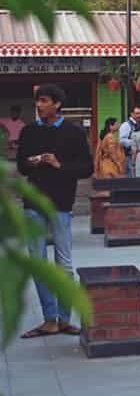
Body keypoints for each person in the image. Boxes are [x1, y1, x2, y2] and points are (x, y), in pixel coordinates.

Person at [17, 83, 92, 339]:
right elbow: (22, 166)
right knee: (38, 263)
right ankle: (49, 320)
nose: (39, 105)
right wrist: (35, 161)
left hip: (61, 203)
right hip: (33, 204)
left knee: (64, 265)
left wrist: (59, 165)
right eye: (38, 101)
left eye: (45, 101)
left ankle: (64, 318)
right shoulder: (29, 131)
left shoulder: (73, 132)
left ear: (57, 104)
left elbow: (86, 168)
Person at [118, 105, 140, 176]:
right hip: (128, 156)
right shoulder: (126, 125)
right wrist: (135, 142)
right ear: (131, 114)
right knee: (130, 177)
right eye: (137, 113)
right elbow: (122, 141)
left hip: (138, 156)